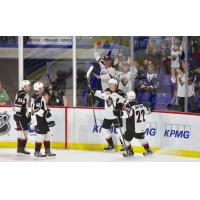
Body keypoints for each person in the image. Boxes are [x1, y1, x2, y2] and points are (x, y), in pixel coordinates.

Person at [89, 78, 126, 151]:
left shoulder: (120, 93)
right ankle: (111, 146)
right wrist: (93, 91)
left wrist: (119, 106)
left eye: (113, 85)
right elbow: (100, 94)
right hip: (108, 116)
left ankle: (125, 146)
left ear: (116, 85)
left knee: (120, 131)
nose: (111, 86)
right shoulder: (106, 91)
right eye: (110, 85)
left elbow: (123, 100)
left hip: (116, 115)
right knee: (104, 130)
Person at [113, 91, 153, 157]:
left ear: (128, 97)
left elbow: (126, 114)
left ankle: (129, 151)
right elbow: (148, 111)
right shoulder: (141, 104)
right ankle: (148, 150)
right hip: (141, 128)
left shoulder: (129, 105)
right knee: (141, 139)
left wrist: (119, 113)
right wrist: (152, 108)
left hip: (132, 128)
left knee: (124, 138)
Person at [31, 82, 56, 157]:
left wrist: (46, 111)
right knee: (41, 135)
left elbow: (41, 107)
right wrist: (45, 113)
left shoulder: (37, 96)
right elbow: (36, 109)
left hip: (41, 118)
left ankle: (47, 151)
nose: (43, 89)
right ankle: (37, 152)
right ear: (38, 89)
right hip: (39, 119)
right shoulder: (37, 97)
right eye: (42, 88)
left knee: (47, 134)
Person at [13, 80, 31, 154]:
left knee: (23, 132)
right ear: (25, 86)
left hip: (23, 115)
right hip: (21, 115)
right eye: (29, 85)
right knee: (23, 132)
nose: (30, 87)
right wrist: (18, 114)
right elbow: (18, 105)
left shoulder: (24, 93)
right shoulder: (22, 93)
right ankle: (21, 149)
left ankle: (20, 149)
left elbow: (23, 105)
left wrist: (27, 114)